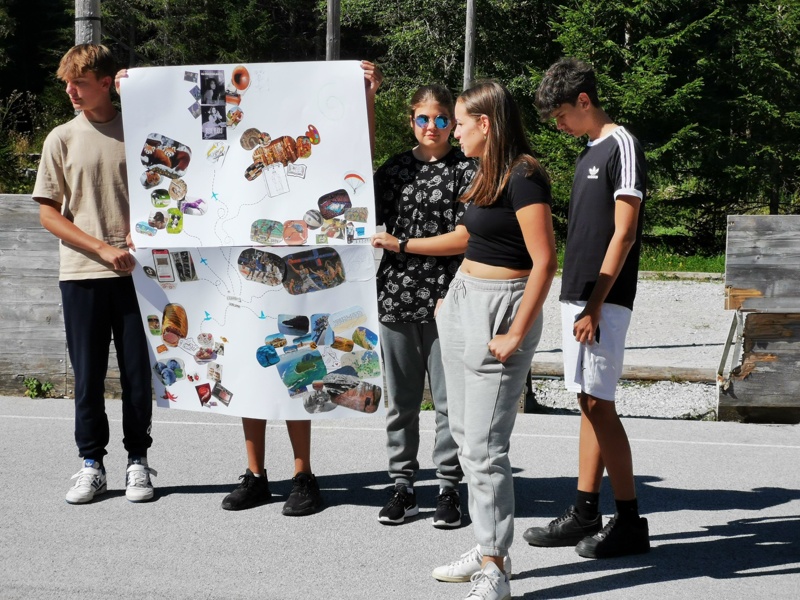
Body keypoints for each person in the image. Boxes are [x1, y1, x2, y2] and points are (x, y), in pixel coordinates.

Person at [373, 80, 557, 600]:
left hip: (501, 308)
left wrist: (516, 330)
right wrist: (453, 299)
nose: (452, 130)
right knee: (460, 429)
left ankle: (495, 568)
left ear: (485, 124)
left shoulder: (524, 175)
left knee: (484, 447)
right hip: (462, 300)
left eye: (458, 121)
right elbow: (476, 241)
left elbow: (545, 261)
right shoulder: (485, 172)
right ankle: (485, 545)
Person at [221, 60, 383, 516]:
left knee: (299, 365)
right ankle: (255, 475)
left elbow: (358, 156)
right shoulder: (244, 158)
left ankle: (303, 476)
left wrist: (366, 97)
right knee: (251, 371)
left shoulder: (304, 157)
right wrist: (134, 94)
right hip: (251, 267)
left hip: (301, 271)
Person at [523, 57, 650, 559]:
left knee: (600, 403)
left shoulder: (623, 145)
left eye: (561, 115)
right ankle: (584, 512)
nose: (558, 125)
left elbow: (625, 232)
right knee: (586, 400)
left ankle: (630, 522)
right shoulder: (588, 152)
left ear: (583, 100)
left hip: (604, 299)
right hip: (578, 295)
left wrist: (596, 302)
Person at [33, 44, 156, 504]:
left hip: (140, 276)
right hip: (82, 273)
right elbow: (48, 214)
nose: (70, 91)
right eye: (67, 83)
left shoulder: (143, 131)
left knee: (137, 377)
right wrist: (103, 248)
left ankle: (138, 461)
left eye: (79, 82)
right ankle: (91, 464)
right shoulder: (61, 138)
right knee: (87, 377)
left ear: (106, 83)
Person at [370, 84, 476, 528]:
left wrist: (402, 244)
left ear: (453, 122)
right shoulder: (393, 169)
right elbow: (352, 192)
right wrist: (367, 97)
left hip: (447, 297)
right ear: (411, 120)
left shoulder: (467, 169)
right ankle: (403, 486)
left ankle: (449, 488)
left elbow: (465, 237)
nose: (432, 126)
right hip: (395, 295)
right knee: (402, 401)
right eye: (423, 118)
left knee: (449, 403)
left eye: (441, 119)